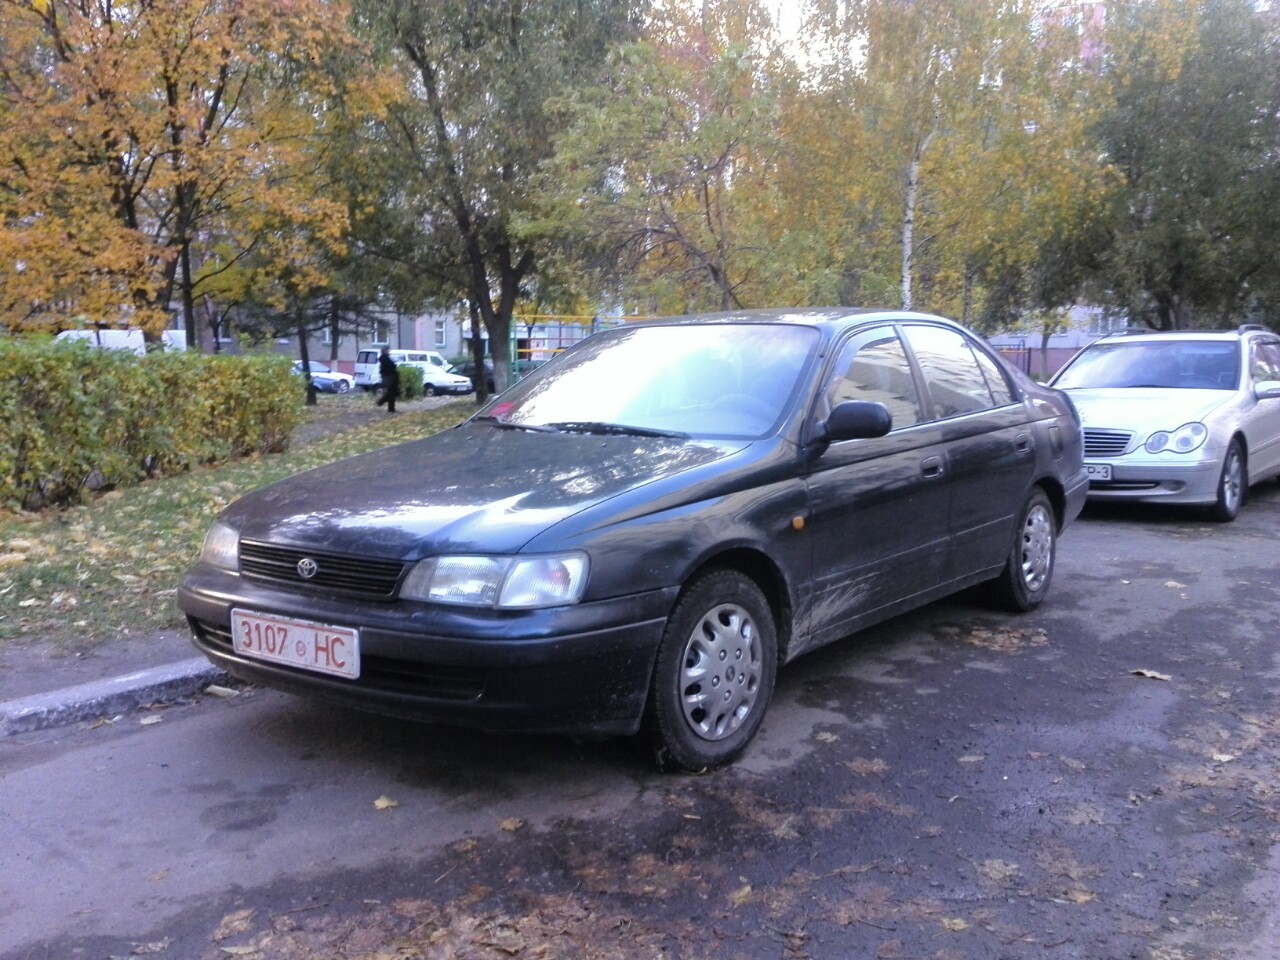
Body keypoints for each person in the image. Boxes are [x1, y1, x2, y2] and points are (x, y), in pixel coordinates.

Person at [374, 346, 400, 413]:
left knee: (392, 393)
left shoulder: (386, 358)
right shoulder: (385, 359)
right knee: (391, 393)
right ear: (384, 351)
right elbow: (387, 369)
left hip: (391, 378)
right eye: (388, 350)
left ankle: (386, 405)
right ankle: (388, 407)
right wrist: (394, 370)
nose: (389, 351)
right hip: (389, 378)